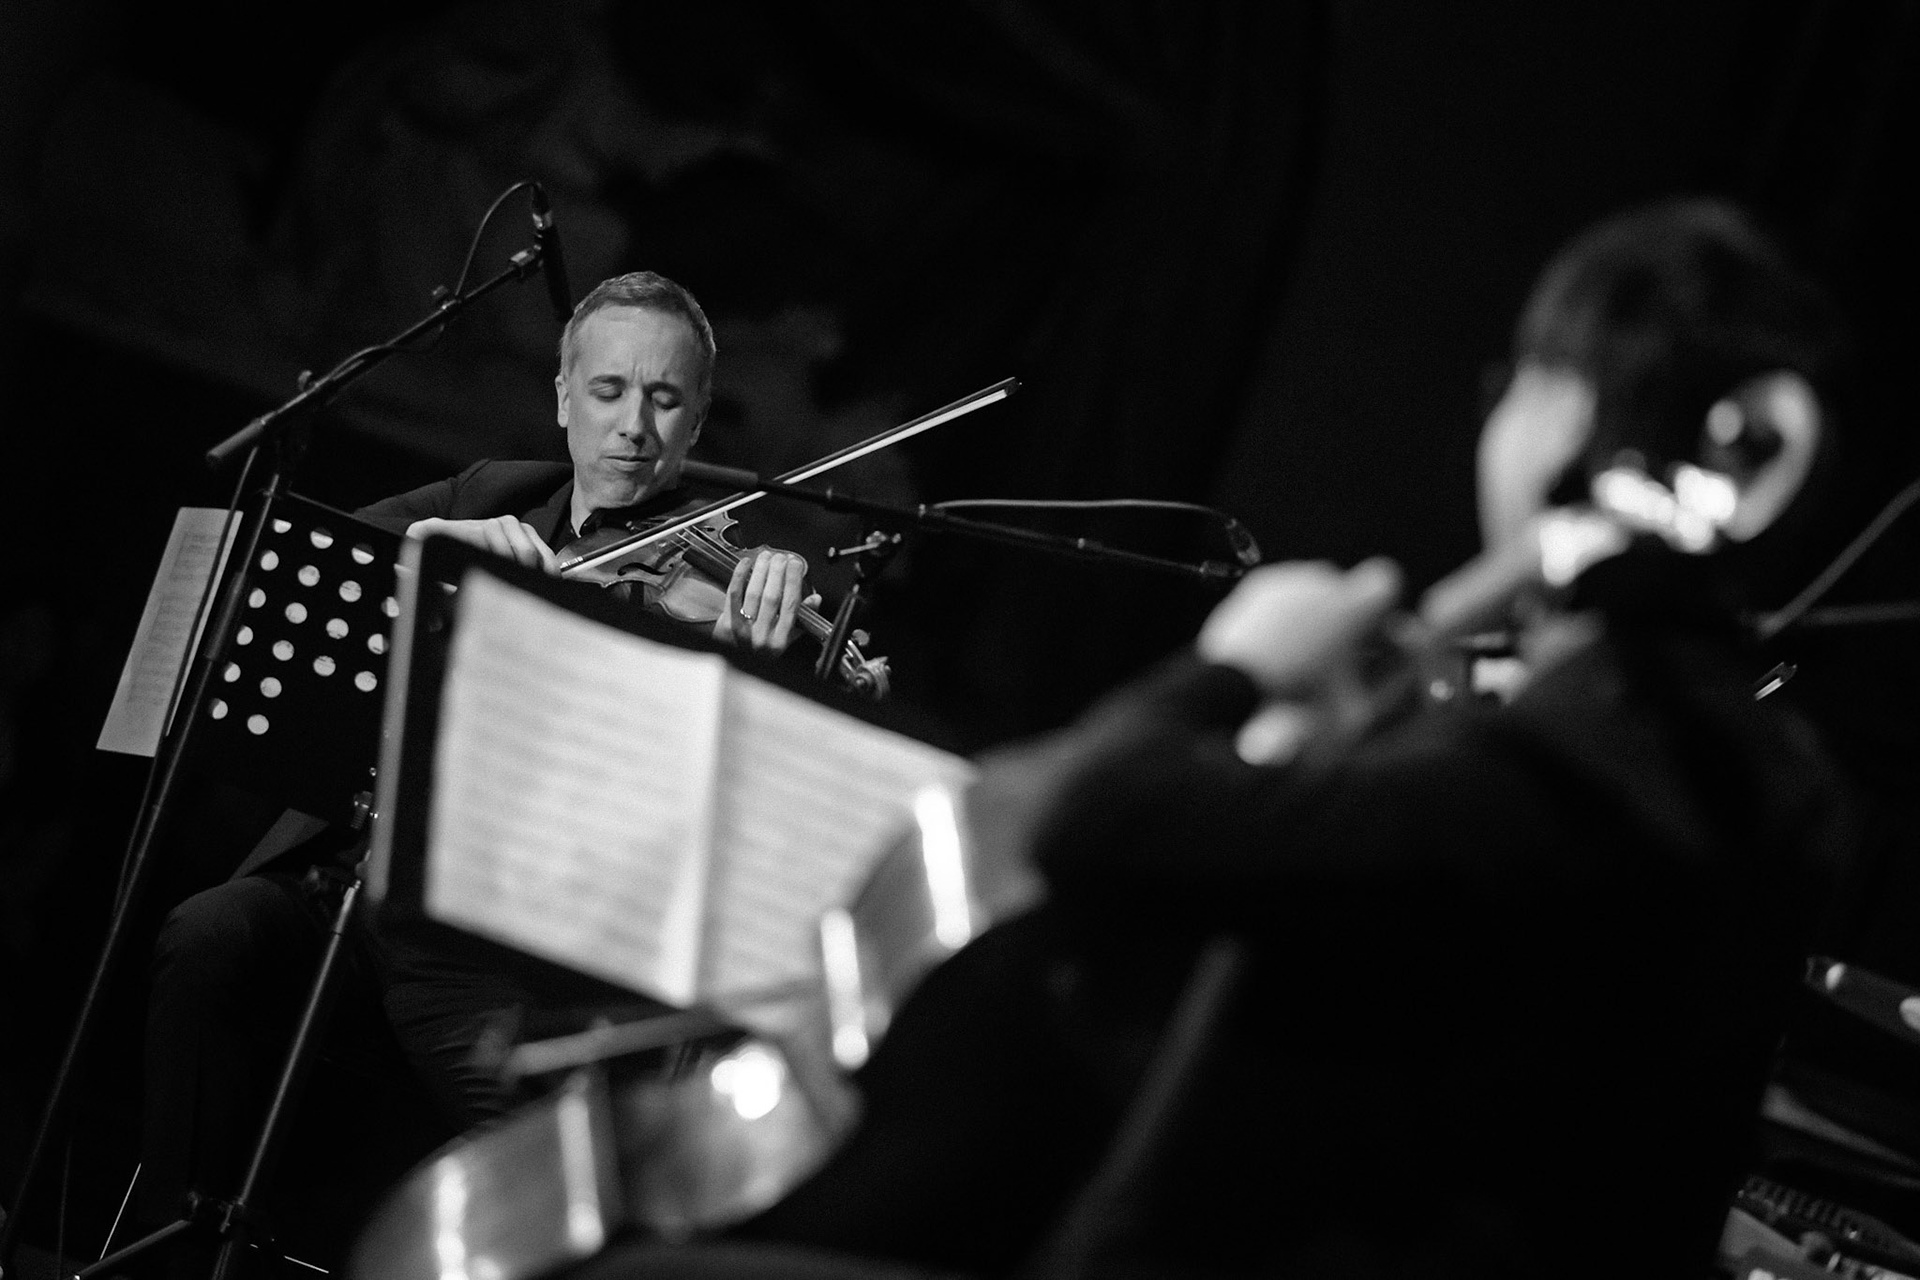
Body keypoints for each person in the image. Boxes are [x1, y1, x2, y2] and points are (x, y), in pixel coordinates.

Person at [563, 200, 1865, 1280]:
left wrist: (1235, 666)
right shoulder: (1774, 788)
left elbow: (1095, 818)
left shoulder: (1544, 775)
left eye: (1518, 383)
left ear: (1573, 420)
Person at [134, 271, 816, 1274]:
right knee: (209, 933)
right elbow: (318, 558)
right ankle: (178, 1249)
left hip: (494, 946)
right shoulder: (493, 493)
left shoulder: (715, 577)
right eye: (609, 390)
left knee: (563, 1165)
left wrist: (774, 647)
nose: (633, 426)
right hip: (349, 888)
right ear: (562, 397)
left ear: (699, 417)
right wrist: (434, 547)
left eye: (666, 400)